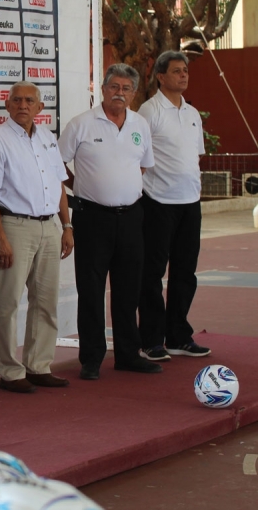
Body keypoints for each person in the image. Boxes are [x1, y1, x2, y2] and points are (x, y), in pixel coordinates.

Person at [57, 63, 161, 379]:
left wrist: (121, 188)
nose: (119, 93)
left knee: (129, 289)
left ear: (133, 93)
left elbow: (142, 166)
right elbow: (56, 164)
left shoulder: (140, 124)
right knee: (90, 289)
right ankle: (91, 358)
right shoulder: (81, 124)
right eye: (114, 87)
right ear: (102, 89)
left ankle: (129, 354)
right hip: (91, 218)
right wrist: (85, 186)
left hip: (132, 217)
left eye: (126, 88)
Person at [0, 81, 74, 394]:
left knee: (46, 302)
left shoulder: (47, 138)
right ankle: (9, 371)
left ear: (39, 108)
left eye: (29, 100)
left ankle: (39, 366)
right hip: (14, 227)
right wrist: (0, 237)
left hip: (50, 227)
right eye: (16, 100)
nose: (22, 105)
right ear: (7, 106)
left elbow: (60, 185)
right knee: (7, 303)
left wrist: (67, 226)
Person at [138, 51, 210, 361]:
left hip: (190, 203)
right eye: (177, 71)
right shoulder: (149, 111)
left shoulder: (192, 113)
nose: (183, 75)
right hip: (157, 203)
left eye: (185, 71)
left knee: (185, 273)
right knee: (152, 274)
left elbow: (196, 156)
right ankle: (151, 340)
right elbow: (138, 158)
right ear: (160, 76)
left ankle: (179, 336)